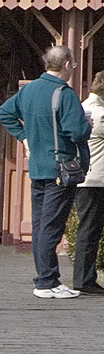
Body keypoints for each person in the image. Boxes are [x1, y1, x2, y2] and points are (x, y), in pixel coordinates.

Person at [0, 45, 91, 298]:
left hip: (38, 168)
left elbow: (4, 113)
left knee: (40, 225)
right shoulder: (64, 93)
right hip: (61, 168)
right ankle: (46, 281)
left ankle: (46, 279)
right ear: (67, 65)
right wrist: (87, 124)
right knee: (51, 227)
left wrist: (24, 136)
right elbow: (77, 132)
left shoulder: (28, 91)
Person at [72, 70, 104, 294]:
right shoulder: (100, 113)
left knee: (89, 229)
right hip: (96, 180)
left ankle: (85, 277)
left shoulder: (83, 107)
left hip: (87, 179)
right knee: (90, 230)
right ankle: (84, 279)